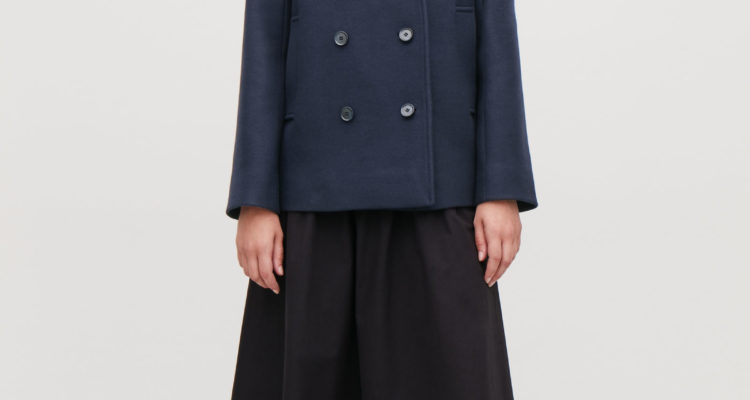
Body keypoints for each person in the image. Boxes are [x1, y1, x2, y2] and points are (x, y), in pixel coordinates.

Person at [225, 0, 538, 399]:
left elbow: (498, 43)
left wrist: (501, 187)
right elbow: (264, 44)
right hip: (315, 193)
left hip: (442, 191)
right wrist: (255, 200)